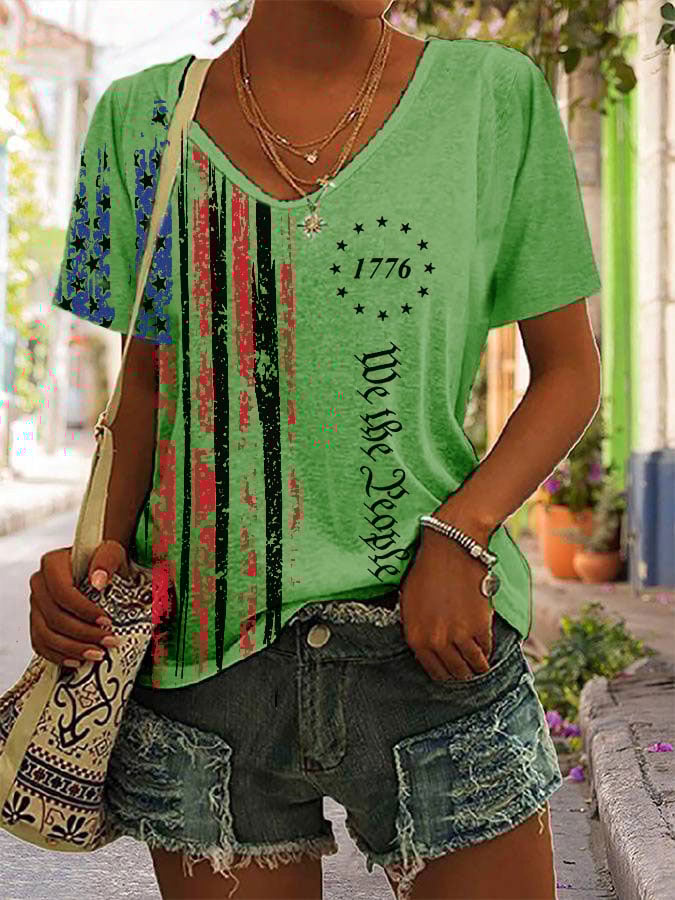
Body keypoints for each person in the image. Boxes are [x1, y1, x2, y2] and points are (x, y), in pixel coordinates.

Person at [32, 0, 603, 897]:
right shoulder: (140, 119)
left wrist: (462, 532)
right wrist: (87, 569)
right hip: (204, 672)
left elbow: (569, 370)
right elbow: (144, 387)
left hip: (432, 648)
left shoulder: (492, 98)